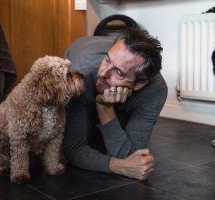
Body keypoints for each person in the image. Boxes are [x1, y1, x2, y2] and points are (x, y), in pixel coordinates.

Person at [63, 28, 168, 180]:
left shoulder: (155, 91)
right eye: (107, 60)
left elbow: (131, 155)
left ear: (138, 84)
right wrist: (118, 167)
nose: (103, 73)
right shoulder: (80, 76)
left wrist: (104, 107)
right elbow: (73, 148)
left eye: (118, 72)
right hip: (80, 49)